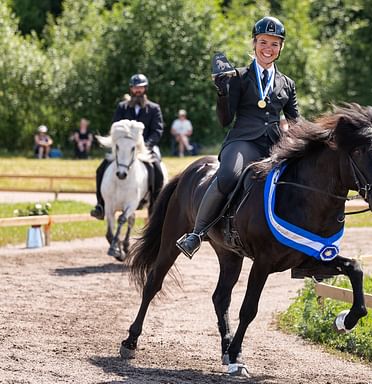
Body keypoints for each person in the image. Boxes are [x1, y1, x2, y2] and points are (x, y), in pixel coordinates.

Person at [176, 16, 299, 259]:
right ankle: (197, 234)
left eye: (274, 44)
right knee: (229, 175)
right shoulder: (239, 77)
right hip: (243, 141)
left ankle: (300, 243)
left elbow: (295, 121)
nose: (268, 48)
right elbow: (225, 119)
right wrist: (223, 92)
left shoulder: (287, 83)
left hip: (275, 144)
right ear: (254, 43)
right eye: (263, 42)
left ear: (281, 48)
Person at [90, 73, 165, 220]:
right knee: (101, 168)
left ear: (145, 89)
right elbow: (115, 127)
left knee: (157, 170)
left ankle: (155, 206)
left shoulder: (154, 108)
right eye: (135, 88)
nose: (138, 91)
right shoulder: (122, 107)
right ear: (131, 89)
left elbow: (158, 130)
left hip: (146, 148)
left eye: (140, 88)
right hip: (123, 149)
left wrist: (145, 146)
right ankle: (100, 205)